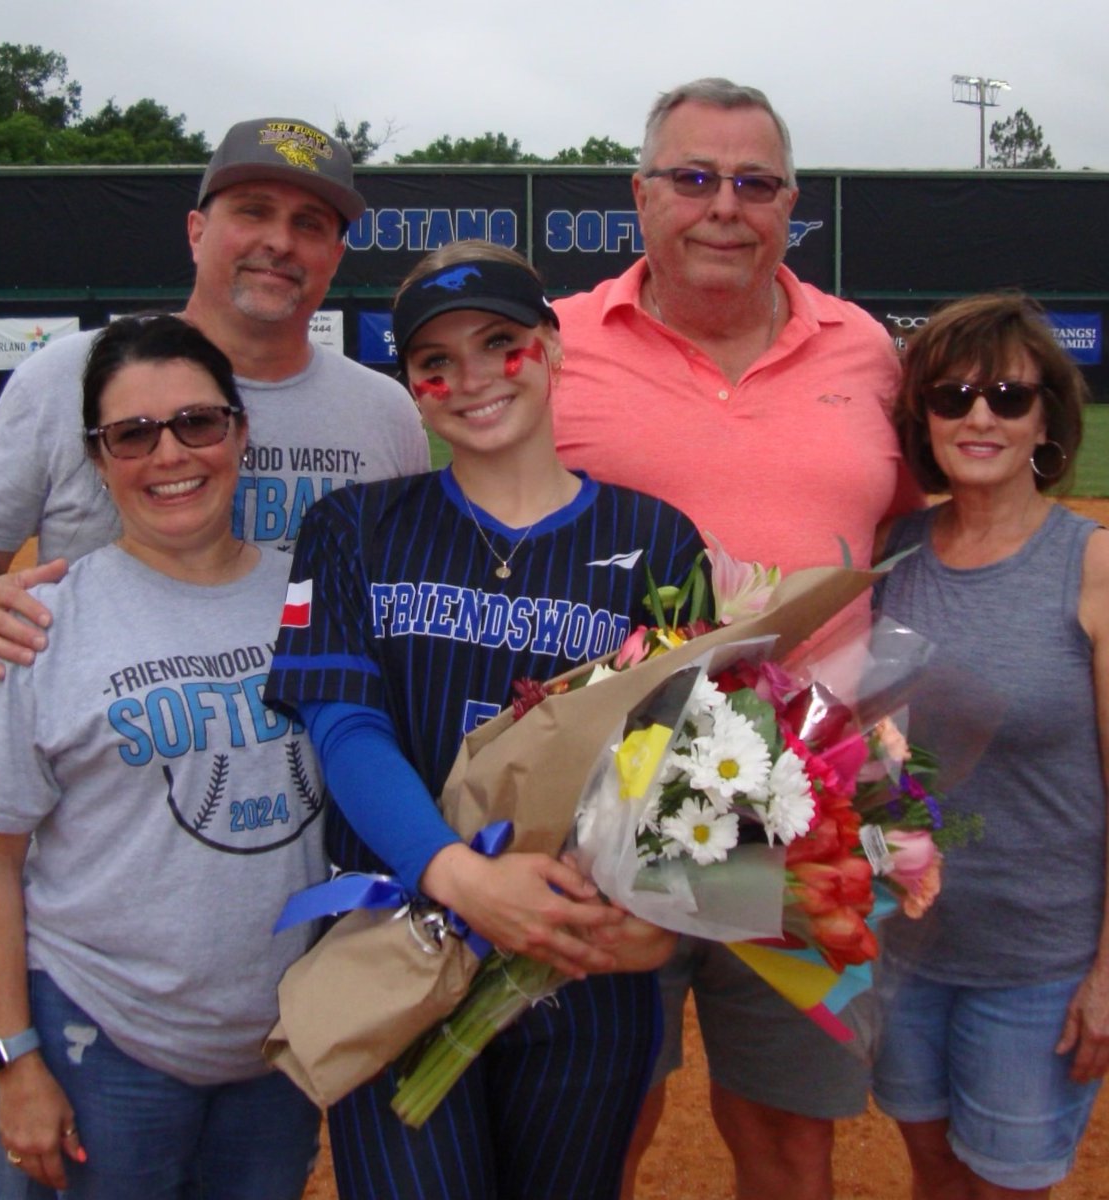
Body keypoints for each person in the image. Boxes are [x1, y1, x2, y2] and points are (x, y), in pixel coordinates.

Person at [264, 240, 706, 1200]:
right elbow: (345, 728)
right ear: (413, 388)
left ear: (552, 350)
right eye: (434, 361)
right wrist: (456, 876)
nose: (469, 379)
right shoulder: (352, 527)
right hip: (400, 946)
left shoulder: (659, 537)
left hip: (579, 963)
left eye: (499, 343)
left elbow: (692, 761)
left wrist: (665, 928)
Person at [550, 78, 921, 1200]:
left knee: (789, 1138)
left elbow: (922, 531)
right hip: (601, 803)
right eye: (694, 178)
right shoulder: (553, 345)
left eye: (754, 183)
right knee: (599, 1118)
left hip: (807, 808)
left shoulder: (863, 349)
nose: (725, 206)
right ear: (640, 195)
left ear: (791, 204)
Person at [0, 315, 330, 1198]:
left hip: (277, 1052)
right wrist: (15, 1062)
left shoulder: (310, 600)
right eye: (133, 434)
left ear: (239, 431)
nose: (171, 454)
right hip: (101, 1038)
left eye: (198, 422)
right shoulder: (44, 619)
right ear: (98, 455)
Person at [0, 115, 428, 681]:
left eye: (309, 224)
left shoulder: (386, 412)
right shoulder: (68, 375)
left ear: (333, 256)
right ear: (196, 232)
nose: (279, 242)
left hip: (329, 745)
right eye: (253, 211)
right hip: (117, 744)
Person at [871, 292, 1109, 1198]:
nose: (979, 415)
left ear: (1046, 415)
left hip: (1038, 965)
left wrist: (1108, 977)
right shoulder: (894, 552)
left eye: (1009, 397)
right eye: (953, 395)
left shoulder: (1089, 567)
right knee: (933, 1175)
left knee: (1010, 1186)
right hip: (910, 951)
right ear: (921, 415)